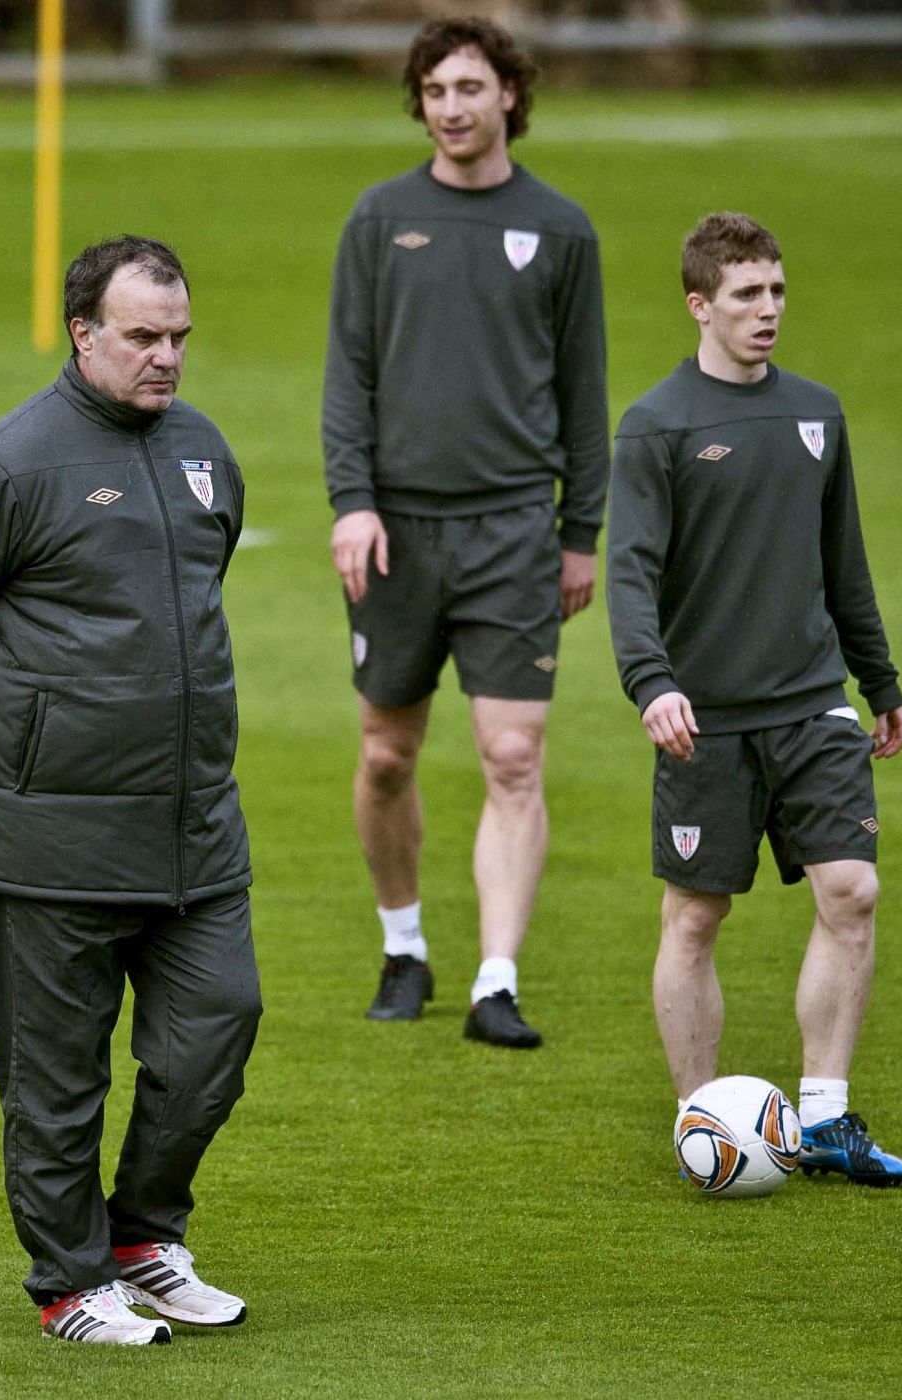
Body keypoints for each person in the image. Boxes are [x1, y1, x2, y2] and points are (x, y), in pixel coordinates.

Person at [0, 235, 264, 1342]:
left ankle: (141, 1237)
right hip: (53, 835)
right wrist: (33, 728)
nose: (166, 358)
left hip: (193, 822)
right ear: (82, 332)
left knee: (215, 1033)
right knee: (55, 1079)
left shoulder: (203, 452)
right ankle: (67, 1279)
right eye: (142, 337)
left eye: (179, 336)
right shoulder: (10, 463)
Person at [606, 211, 902, 1185]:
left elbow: (843, 565)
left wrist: (879, 679)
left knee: (850, 890)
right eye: (745, 294)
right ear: (699, 304)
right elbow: (628, 572)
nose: (766, 309)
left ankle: (822, 1115)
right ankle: (702, 1120)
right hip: (705, 719)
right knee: (695, 916)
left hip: (810, 702)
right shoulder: (657, 423)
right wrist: (651, 683)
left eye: (775, 291)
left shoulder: (815, 413)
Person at [321, 17, 609, 1048]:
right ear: (419, 101)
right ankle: (403, 946)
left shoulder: (560, 229)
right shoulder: (377, 217)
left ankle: (496, 979)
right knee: (386, 753)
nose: (451, 106)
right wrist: (349, 500)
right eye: (435, 89)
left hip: (510, 534)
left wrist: (581, 529)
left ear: (507, 98)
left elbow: (583, 394)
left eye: (469, 87)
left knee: (512, 752)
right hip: (393, 532)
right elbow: (346, 375)